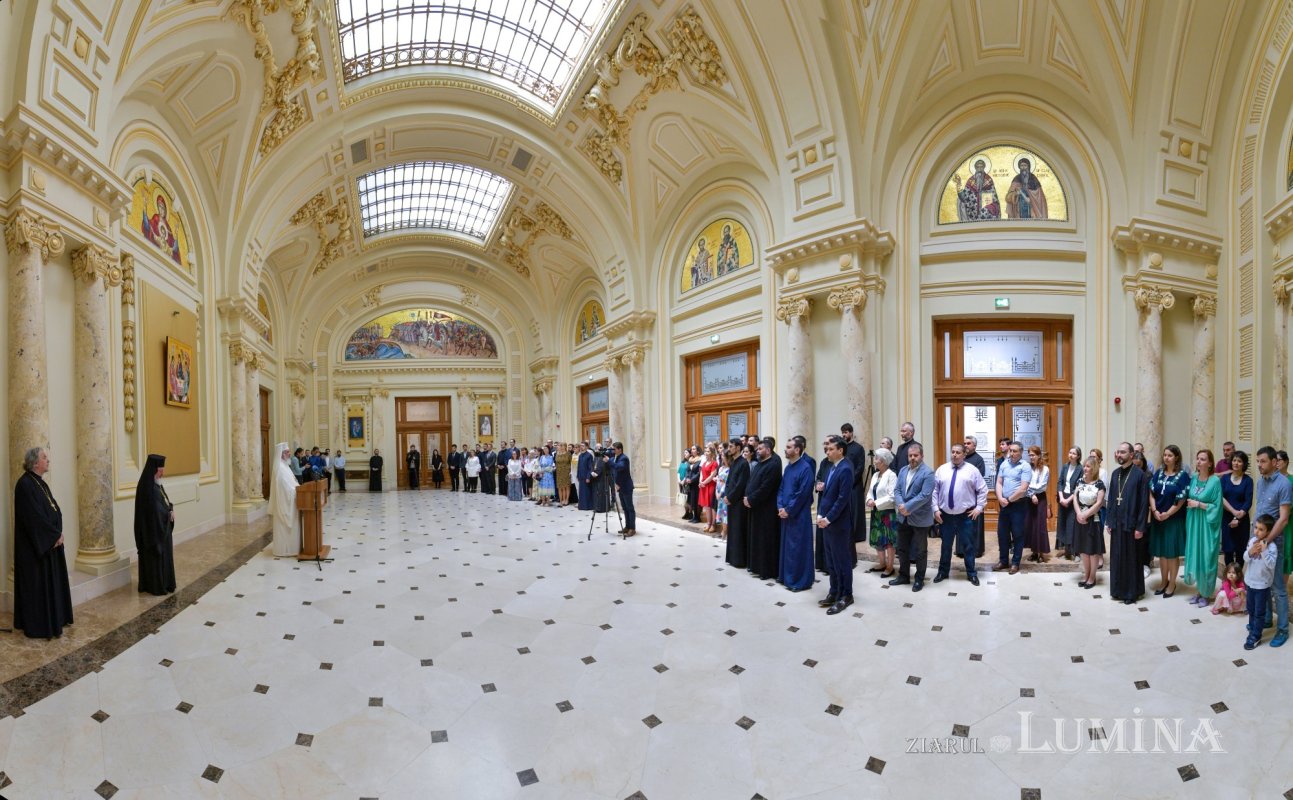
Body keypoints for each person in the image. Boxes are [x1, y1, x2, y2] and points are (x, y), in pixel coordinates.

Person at [13, 447, 73, 639]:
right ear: (35, 462)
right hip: (34, 550)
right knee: (37, 589)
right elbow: (33, 518)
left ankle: (56, 618)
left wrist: (58, 532)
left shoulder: (40, 483)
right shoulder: (24, 484)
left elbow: (53, 509)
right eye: (44, 458)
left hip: (49, 543)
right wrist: (53, 536)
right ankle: (40, 625)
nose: (48, 461)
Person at [1251, 446, 1292, 646]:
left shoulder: (1284, 484)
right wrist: (1256, 539)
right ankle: (1266, 619)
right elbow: (1259, 511)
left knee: (1278, 588)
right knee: (1262, 584)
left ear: (1275, 462)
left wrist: (1267, 541)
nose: (1259, 465)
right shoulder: (1260, 482)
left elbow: (1283, 519)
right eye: (1258, 461)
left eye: (1263, 461)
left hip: (1274, 543)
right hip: (1259, 541)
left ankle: (1283, 630)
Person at [933, 443, 988, 586]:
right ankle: (943, 572)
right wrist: (935, 509)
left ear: (964, 454)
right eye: (953, 452)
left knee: (969, 546)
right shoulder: (942, 469)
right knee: (946, 545)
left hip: (966, 516)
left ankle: (971, 573)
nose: (954, 455)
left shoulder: (972, 470)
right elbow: (935, 491)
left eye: (958, 452)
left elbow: (983, 489)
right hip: (945, 516)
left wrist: (979, 507)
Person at [1106, 442, 1150, 604]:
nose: (1119, 455)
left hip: (1132, 525)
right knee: (1117, 557)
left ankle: (1131, 592)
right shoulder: (1115, 473)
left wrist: (1140, 527)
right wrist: (1109, 521)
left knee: (1131, 559)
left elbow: (1144, 504)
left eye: (1123, 452)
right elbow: (1111, 499)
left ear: (1131, 455)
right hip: (1117, 523)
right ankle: (1117, 590)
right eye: (1118, 452)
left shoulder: (1140, 475)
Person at [817, 435, 856, 614]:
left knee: (842, 561)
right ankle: (834, 591)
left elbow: (842, 499)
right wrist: (820, 514)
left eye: (831, 449)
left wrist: (828, 518)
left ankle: (846, 595)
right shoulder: (832, 467)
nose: (828, 451)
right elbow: (829, 494)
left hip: (838, 524)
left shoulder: (846, 468)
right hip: (827, 522)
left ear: (840, 450)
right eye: (827, 448)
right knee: (831, 561)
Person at [1179, 448, 1223, 607]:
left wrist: (1199, 504)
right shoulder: (1194, 477)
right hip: (1194, 523)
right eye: (1198, 458)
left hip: (1207, 524)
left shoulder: (1215, 481)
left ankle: (1207, 593)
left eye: (1203, 459)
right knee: (1196, 556)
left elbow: (1217, 507)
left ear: (1210, 463)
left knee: (1206, 557)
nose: (1199, 461)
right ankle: (1199, 590)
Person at [891, 443, 934, 592]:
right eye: (910, 455)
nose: (913, 458)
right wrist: (902, 505)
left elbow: (925, 495)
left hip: (920, 519)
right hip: (903, 517)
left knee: (920, 551)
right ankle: (903, 576)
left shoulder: (928, 472)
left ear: (921, 456)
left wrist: (907, 507)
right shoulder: (903, 470)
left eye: (916, 455)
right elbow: (896, 490)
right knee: (902, 548)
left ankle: (919, 579)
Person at [1149, 445, 1190, 597]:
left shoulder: (1183, 475)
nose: (1166, 458)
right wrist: (1154, 511)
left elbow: (1181, 499)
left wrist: (1167, 513)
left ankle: (1172, 583)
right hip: (1158, 517)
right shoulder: (1159, 473)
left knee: (1172, 553)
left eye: (1170, 455)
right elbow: (1151, 493)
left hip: (1173, 519)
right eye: (1165, 455)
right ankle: (1163, 580)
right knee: (1162, 553)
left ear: (1177, 457)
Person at [133, 453, 176, 596]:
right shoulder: (147, 489)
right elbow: (153, 513)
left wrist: (170, 509)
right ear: (153, 470)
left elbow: (164, 503)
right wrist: (167, 514)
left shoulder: (157, 486)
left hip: (162, 530)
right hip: (153, 534)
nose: (162, 474)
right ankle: (155, 585)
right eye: (160, 471)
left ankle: (167, 583)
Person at [777, 436, 816, 592]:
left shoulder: (806, 468)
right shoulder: (787, 468)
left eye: (788, 447)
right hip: (785, 513)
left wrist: (788, 509)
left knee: (798, 548)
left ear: (797, 450)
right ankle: (786, 577)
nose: (785, 449)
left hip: (798, 515)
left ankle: (799, 581)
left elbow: (803, 494)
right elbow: (781, 489)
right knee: (787, 547)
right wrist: (780, 506)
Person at [744, 437, 783, 580]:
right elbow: (752, 481)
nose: (757, 451)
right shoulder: (761, 463)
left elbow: (766, 487)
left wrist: (751, 499)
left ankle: (766, 570)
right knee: (756, 538)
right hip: (755, 506)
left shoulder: (773, 464)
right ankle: (756, 566)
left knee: (765, 539)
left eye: (760, 449)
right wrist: (747, 497)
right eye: (757, 449)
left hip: (766, 508)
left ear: (768, 450)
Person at [995, 441, 1033, 574]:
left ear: (1021, 452)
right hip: (1004, 504)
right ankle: (1003, 561)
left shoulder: (1025, 466)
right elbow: (999, 482)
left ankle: (1015, 563)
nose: (1011, 453)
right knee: (1002, 534)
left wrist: (1009, 500)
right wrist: (1000, 498)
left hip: (1018, 505)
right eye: (1010, 450)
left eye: (1014, 451)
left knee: (1018, 534)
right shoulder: (1004, 464)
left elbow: (1023, 488)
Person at [1244, 516, 1280, 650]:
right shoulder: (1252, 541)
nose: (1257, 532)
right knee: (1251, 609)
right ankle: (1252, 628)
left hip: (1262, 585)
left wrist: (1263, 551)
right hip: (1250, 582)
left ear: (1268, 532)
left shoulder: (1272, 547)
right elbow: (1245, 558)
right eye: (1256, 528)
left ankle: (1256, 636)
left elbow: (1271, 565)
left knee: (1259, 612)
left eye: (1261, 529)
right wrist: (1250, 551)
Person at [1072, 456, 1106, 589]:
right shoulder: (1080, 481)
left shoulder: (1099, 484)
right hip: (1080, 519)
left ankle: (1092, 577)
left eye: (1088, 466)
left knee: (1092, 550)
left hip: (1093, 520)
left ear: (1094, 468)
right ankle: (1086, 575)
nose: (1085, 468)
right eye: (1084, 466)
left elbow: (1099, 503)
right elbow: (1075, 497)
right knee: (1083, 550)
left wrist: (1086, 514)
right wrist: (1079, 514)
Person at [865, 448, 898, 578]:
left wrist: (876, 502)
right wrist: (869, 499)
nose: (875, 461)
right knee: (878, 538)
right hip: (876, 512)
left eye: (877, 458)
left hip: (887, 513)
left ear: (884, 461)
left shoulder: (891, 475)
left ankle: (890, 567)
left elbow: (892, 496)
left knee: (889, 540)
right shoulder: (875, 475)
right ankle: (882, 563)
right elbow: (869, 491)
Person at [840, 423, 868, 567]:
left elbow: (860, 467)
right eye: (843, 433)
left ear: (851, 433)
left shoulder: (858, 448)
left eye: (846, 432)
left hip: (855, 485)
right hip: (843, 484)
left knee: (856, 510)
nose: (844, 435)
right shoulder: (841, 448)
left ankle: (857, 535)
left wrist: (851, 480)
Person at [1219, 450, 1252, 567]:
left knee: (1240, 551)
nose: (1236, 463)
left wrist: (1238, 517)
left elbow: (1248, 502)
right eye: (1234, 460)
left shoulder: (1248, 480)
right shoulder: (1224, 479)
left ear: (1244, 464)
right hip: (1227, 518)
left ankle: (1238, 580)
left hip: (1242, 520)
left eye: (1239, 461)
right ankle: (1228, 580)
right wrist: (1233, 512)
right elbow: (1221, 498)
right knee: (1227, 551)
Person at [724, 440, 752, 569]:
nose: (729, 449)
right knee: (733, 530)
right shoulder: (734, 462)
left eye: (731, 446)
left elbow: (741, 484)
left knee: (738, 530)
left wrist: (730, 497)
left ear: (738, 447)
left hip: (738, 502)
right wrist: (726, 495)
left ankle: (739, 560)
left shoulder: (743, 463)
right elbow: (729, 481)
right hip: (731, 501)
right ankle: (732, 557)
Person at [961, 435, 988, 559]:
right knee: (961, 524)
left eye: (968, 443)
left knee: (974, 525)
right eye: (965, 443)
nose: (966, 445)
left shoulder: (979, 460)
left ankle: (976, 550)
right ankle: (961, 550)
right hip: (961, 498)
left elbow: (979, 479)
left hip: (974, 498)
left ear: (974, 446)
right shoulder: (961, 458)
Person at [270, 443, 299, 557]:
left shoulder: (286, 466)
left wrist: (298, 488)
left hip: (293, 500)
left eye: (289, 451)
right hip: (285, 503)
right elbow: (284, 488)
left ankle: (293, 548)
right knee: (284, 529)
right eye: (287, 452)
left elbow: (292, 482)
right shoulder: (280, 468)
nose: (289, 454)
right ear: (281, 455)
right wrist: (296, 491)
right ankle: (285, 550)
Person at [1024, 445, 1051, 563]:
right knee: (1030, 525)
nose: (1031, 457)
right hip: (1029, 498)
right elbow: (1024, 484)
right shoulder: (1027, 468)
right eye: (1029, 455)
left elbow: (1042, 486)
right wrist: (1031, 494)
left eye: (1033, 455)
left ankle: (1041, 552)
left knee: (1040, 525)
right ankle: (1034, 552)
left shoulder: (1045, 469)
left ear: (1039, 455)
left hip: (1040, 498)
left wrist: (1032, 491)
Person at [1055, 446, 1083, 560]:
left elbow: (1078, 486)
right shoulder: (1065, 466)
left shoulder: (1080, 468)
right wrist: (1061, 497)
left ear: (1078, 456)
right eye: (1070, 452)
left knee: (1072, 525)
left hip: (1073, 499)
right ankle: (1067, 551)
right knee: (1063, 524)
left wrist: (1068, 499)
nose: (1071, 455)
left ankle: (1076, 552)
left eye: (1074, 453)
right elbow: (1060, 482)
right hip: (1063, 498)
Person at [611, 442, 636, 536]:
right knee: (625, 508)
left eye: (614, 449)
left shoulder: (624, 458)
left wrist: (608, 461)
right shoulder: (615, 458)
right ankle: (627, 526)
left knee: (630, 508)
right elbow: (613, 472)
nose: (613, 451)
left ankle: (632, 528)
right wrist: (615, 483)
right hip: (620, 486)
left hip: (626, 486)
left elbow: (619, 467)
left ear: (619, 449)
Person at [699, 445, 719, 532]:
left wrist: (703, 482)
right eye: (705, 451)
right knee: (706, 506)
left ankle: (713, 525)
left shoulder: (714, 463)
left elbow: (712, 476)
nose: (706, 453)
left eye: (708, 451)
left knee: (712, 506)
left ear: (712, 453)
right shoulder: (704, 463)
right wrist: (700, 482)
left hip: (711, 486)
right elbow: (701, 474)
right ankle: (708, 523)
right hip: (703, 486)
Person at [715, 449, 730, 539]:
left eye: (723, 456)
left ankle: (725, 532)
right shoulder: (721, 468)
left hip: (724, 493)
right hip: (719, 491)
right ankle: (722, 530)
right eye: (721, 456)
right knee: (720, 512)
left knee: (725, 514)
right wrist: (716, 491)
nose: (722, 457)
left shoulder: (730, 469)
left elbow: (727, 482)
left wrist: (721, 493)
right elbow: (718, 481)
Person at [577, 442, 596, 510]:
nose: (581, 447)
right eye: (581, 446)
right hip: (581, 476)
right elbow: (578, 466)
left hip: (586, 477)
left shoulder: (589, 455)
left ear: (586, 447)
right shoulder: (580, 455)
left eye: (583, 446)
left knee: (587, 492)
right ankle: (582, 506)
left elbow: (590, 467)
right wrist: (578, 475)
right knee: (581, 492)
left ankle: (588, 506)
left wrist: (588, 477)